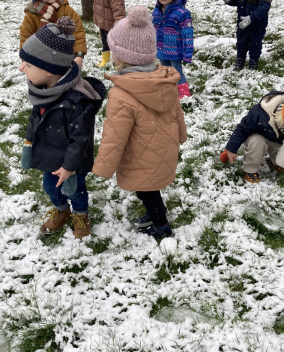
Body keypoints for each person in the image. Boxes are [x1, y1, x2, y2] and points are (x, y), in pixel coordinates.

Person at [92, 6, 187, 239]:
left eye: (113, 50)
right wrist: (181, 136)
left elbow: (114, 136)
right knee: (151, 188)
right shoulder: (164, 78)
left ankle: (161, 225)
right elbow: (177, 113)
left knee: (146, 191)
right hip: (163, 149)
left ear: (123, 56)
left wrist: (103, 167)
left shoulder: (122, 94)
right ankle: (157, 212)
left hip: (140, 156)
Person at [19, 17, 106, 239]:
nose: (21, 68)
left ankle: (80, 214)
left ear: (49, 69)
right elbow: (34, 119)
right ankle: (61, 210)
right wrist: (29, 144)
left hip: (71, 162)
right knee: (50, 187)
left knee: (75, 190)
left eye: (28, 65)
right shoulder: (42, 91)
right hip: (50, 154)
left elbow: (81, 139)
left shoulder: (76, 101)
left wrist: (69, 167)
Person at [19, 0, 87, 68]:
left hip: (63, 55)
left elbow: (78, 34)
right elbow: (26, 36)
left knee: (66, 76)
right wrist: (25, 58)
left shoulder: (66, 10)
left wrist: (79, 55)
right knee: (40, 77)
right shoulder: (32, 12)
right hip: (40, 57)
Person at [152, 0, 193, 99]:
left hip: (175, 50)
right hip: (161, 49)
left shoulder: (182, 13)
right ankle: (169, 92)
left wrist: (187, 53)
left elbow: (188, 33)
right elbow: (153, 30)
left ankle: (184, 96)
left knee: (176, 73)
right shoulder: (157, 11)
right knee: (165, 72)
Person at [223, 0, 271, 71]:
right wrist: (229, 1)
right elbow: (237, 1)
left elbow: (263, 7)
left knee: (255, 46)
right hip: (243, 24)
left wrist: (252, 17)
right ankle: (240, 60)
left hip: (257, 26)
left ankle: (253, 62)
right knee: (241, 44)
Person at [93, 0, 126, 67]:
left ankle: (119, 62)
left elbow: (118, 10)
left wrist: (118, 25)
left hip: (112, 24)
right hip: (102, 21)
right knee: (104, 41)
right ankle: (106, 59)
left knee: (116, 44)